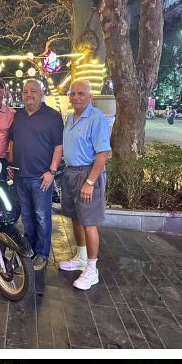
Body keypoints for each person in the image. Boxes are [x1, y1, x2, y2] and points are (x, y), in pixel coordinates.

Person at [58, 79, 112, 290]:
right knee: (76, 218)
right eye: (73, 93)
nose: (76, 97)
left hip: (88, 174)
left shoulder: (96, 118)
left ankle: (92, 269)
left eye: (81, 94)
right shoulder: (70, 117)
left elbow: (103, 154)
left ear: (90, 97)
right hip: (70, 173)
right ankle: (81, 257)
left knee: (89, 222)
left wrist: (90, 182)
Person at [7, 78, 64, 271]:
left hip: (41, 178)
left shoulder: (53, 116)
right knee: (26, 217)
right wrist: (11, 164)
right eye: (25, 91)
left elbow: (59, 146)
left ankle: (42, 253)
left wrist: (52, 172)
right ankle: (28, 249)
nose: (29, 94)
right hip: (20, 177)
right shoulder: (18, 116)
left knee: (41, 217)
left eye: (33, 91)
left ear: (41, 93)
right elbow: (13, 142)